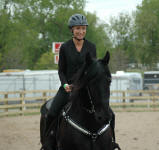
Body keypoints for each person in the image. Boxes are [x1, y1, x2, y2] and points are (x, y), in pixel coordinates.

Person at [42, 13, 118, 149]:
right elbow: (61, 70)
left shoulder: (91, 47)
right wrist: (64, 84)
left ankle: (112, 142)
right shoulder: (65, 47)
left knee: (110, 113)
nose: (81, 31)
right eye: (78, 28)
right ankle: (48, 142)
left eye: (83, 28)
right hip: (68, 88)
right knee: (52, 112)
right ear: (72, 29)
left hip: (85, 89)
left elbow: (93, 69)